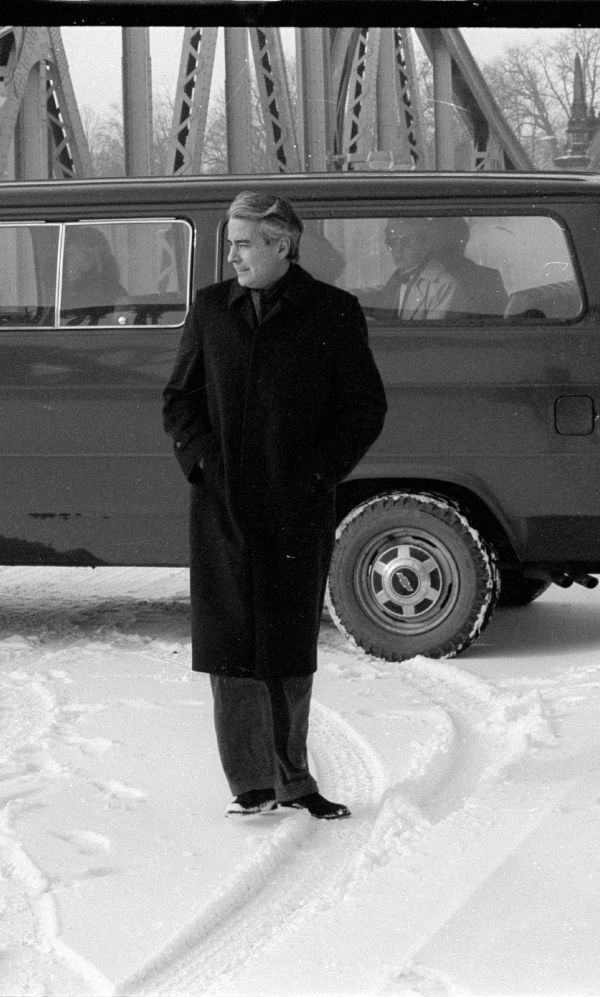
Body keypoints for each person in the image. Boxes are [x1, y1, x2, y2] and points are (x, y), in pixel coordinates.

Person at [162, 192, 388, 820]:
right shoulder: (211, 310)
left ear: (281, 245)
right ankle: (252, 784)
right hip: (222, 507)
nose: (231, 255)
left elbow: (364, 408)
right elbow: (178, 401)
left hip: (297, 505)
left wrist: (319, 473)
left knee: (287, 645)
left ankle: (295, 780)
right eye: (231, 243)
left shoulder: (333, 313)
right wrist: (204, 463)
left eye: (242, 243)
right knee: (231, 643)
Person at [365, 216, 506, 321]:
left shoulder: (444, 282)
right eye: (392, 241)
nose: (398, 249)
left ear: (426, 244)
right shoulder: (400, 277)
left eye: (407, 241)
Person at [60, 226, 128, 325]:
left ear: (89, 259)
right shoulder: (112, 288)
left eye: (72, 255)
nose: (67, 262)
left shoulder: (95, 294)